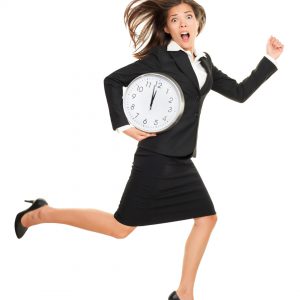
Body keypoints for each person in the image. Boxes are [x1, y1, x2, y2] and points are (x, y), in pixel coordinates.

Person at [15, 1, 284, 299]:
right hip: (156, 157)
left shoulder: (204, 62)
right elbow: (113, 80)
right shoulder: (161, 58)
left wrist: (269, 59)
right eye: (175, 19)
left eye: (188, 17)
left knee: (207, 219)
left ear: (198, 23)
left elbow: (239, 92)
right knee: (120, 228)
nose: (183, 24)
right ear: (167, 28)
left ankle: (184, 293)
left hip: (181, 159)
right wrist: (123, 126)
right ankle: (41, 213)